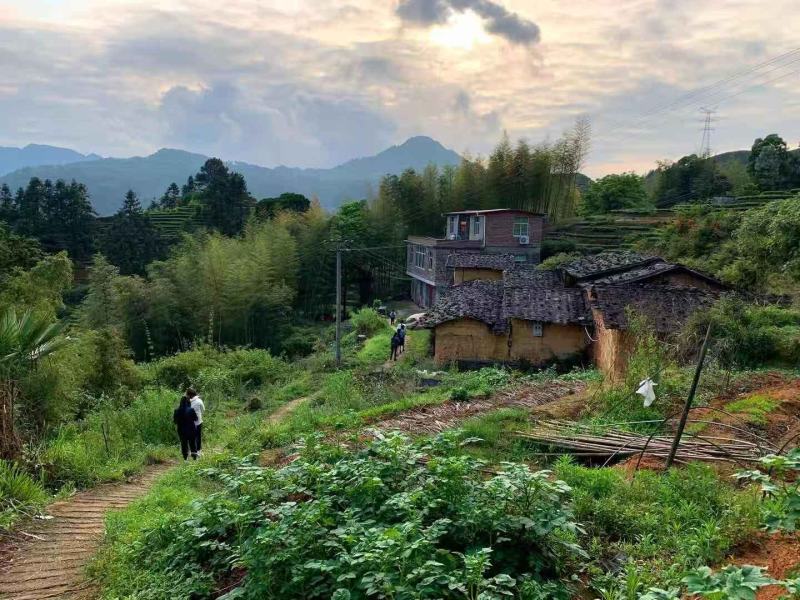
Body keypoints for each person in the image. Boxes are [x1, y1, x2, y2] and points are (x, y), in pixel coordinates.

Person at [173, 395, 198, 460]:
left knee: (184, 443)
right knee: (192, 443)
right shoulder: (191, 410)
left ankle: (185, 458)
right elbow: (196, 419)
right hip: (191, 429)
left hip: (181, 430)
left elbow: (175, 421)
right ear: (188, 402)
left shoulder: (176, 410)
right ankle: (194, 457)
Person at [187, 388, 205, 454]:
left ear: (189, 395)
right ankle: (198, 451)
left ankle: (190, 451)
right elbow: (203, 410)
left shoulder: (186, 402)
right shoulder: (199, 401)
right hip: (198, 422)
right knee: (198, 436)